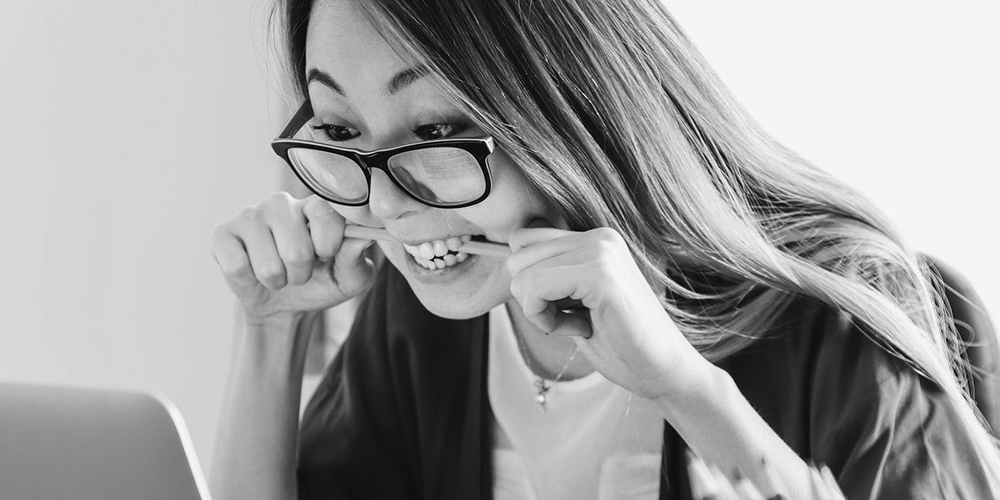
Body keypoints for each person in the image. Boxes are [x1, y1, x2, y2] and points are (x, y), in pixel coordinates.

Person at [208, 0, 1000, 498]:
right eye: (341, 131)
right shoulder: (420, 322)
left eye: (439, 130)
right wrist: (270, 332)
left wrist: (683, 389)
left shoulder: (838, 327)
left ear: (570, 110)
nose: (386, 203)